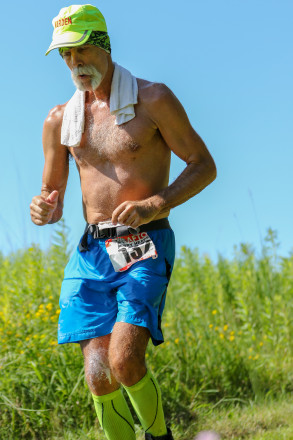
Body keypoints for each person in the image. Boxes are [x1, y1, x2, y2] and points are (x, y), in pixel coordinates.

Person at [30, 4, 217, 440]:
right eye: (65, 55)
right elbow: (50, 195)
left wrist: (156, 202)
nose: (74, 63)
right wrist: (43, 207)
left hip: (144, 242)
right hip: (92, 251)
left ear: (104, 45)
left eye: (80, 51)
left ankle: (159, 436)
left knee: (124, 361)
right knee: (98, 374)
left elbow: (204, 165)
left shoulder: (153, 98)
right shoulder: (59, 119)